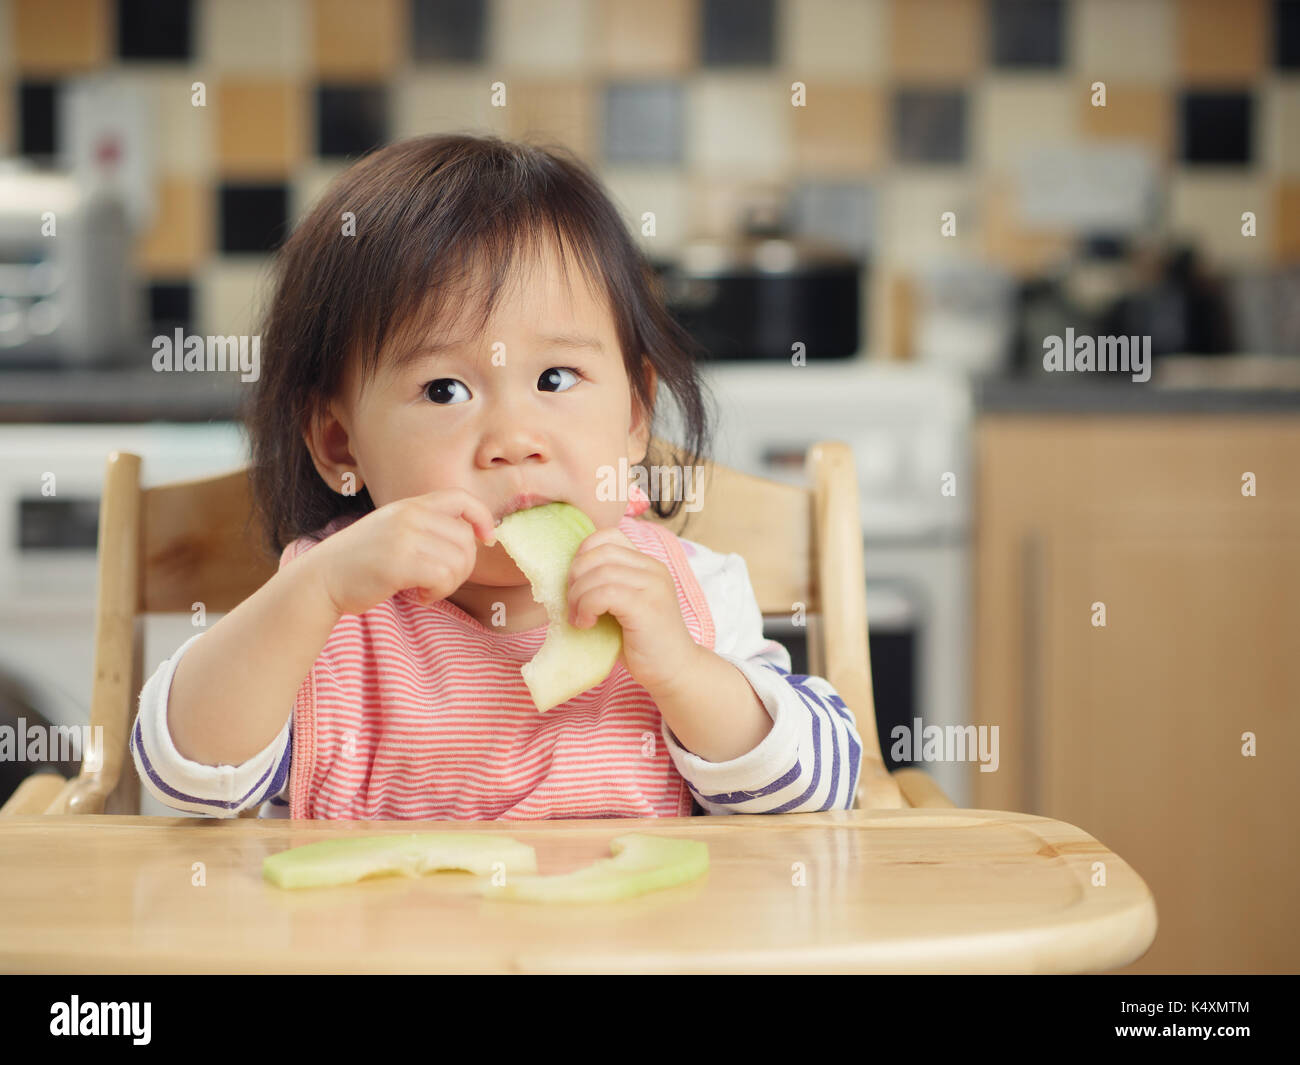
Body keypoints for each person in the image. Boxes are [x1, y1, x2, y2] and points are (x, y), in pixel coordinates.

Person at [129, 134, 863, 820]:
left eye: (556, 376)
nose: (514, 440)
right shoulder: (326, 609)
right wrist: (309, 595)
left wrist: (683, 672)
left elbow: (824, 784)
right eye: (445, 390)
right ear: (338, 441)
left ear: (635, 416)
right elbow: (188, 778)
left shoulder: (692, 596)